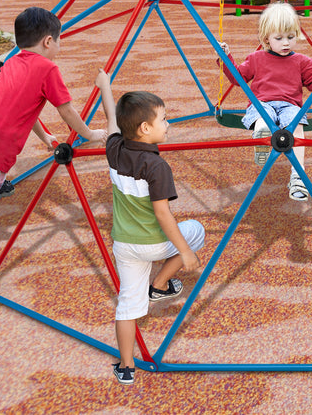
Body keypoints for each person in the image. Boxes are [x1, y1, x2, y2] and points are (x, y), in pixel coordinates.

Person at [0, 7, 107, 297]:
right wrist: (90, 134)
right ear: (48, 42)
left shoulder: (15, 60)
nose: (58, 48)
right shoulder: (48, 68)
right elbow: (67, 110)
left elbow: (18, 103)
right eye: (58, 41)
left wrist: (44, 134)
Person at [95, 70, 204, 385]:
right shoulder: (157, 167)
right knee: (195, 230)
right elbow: (163, 213)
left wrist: (105, 88)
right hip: (152, 244)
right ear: (145, 128)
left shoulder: (114, 148)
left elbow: (113, 121)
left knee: (127, 304)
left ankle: (126, 367)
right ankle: (159, 284)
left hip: (124, 245)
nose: (168, 124)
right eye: (164, 119)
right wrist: (185, 252)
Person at [218, 1, 312, 202]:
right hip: (262, 104)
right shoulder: (256, 58)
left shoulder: (302, 61)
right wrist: (225, 57)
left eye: (291, 37)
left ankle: (298, 176)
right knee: (264, 116)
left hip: (290, 106)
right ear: (266, 39)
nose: (286, 43)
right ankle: (261, 139)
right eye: (279, 38)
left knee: (296, 126)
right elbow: (238, 78)